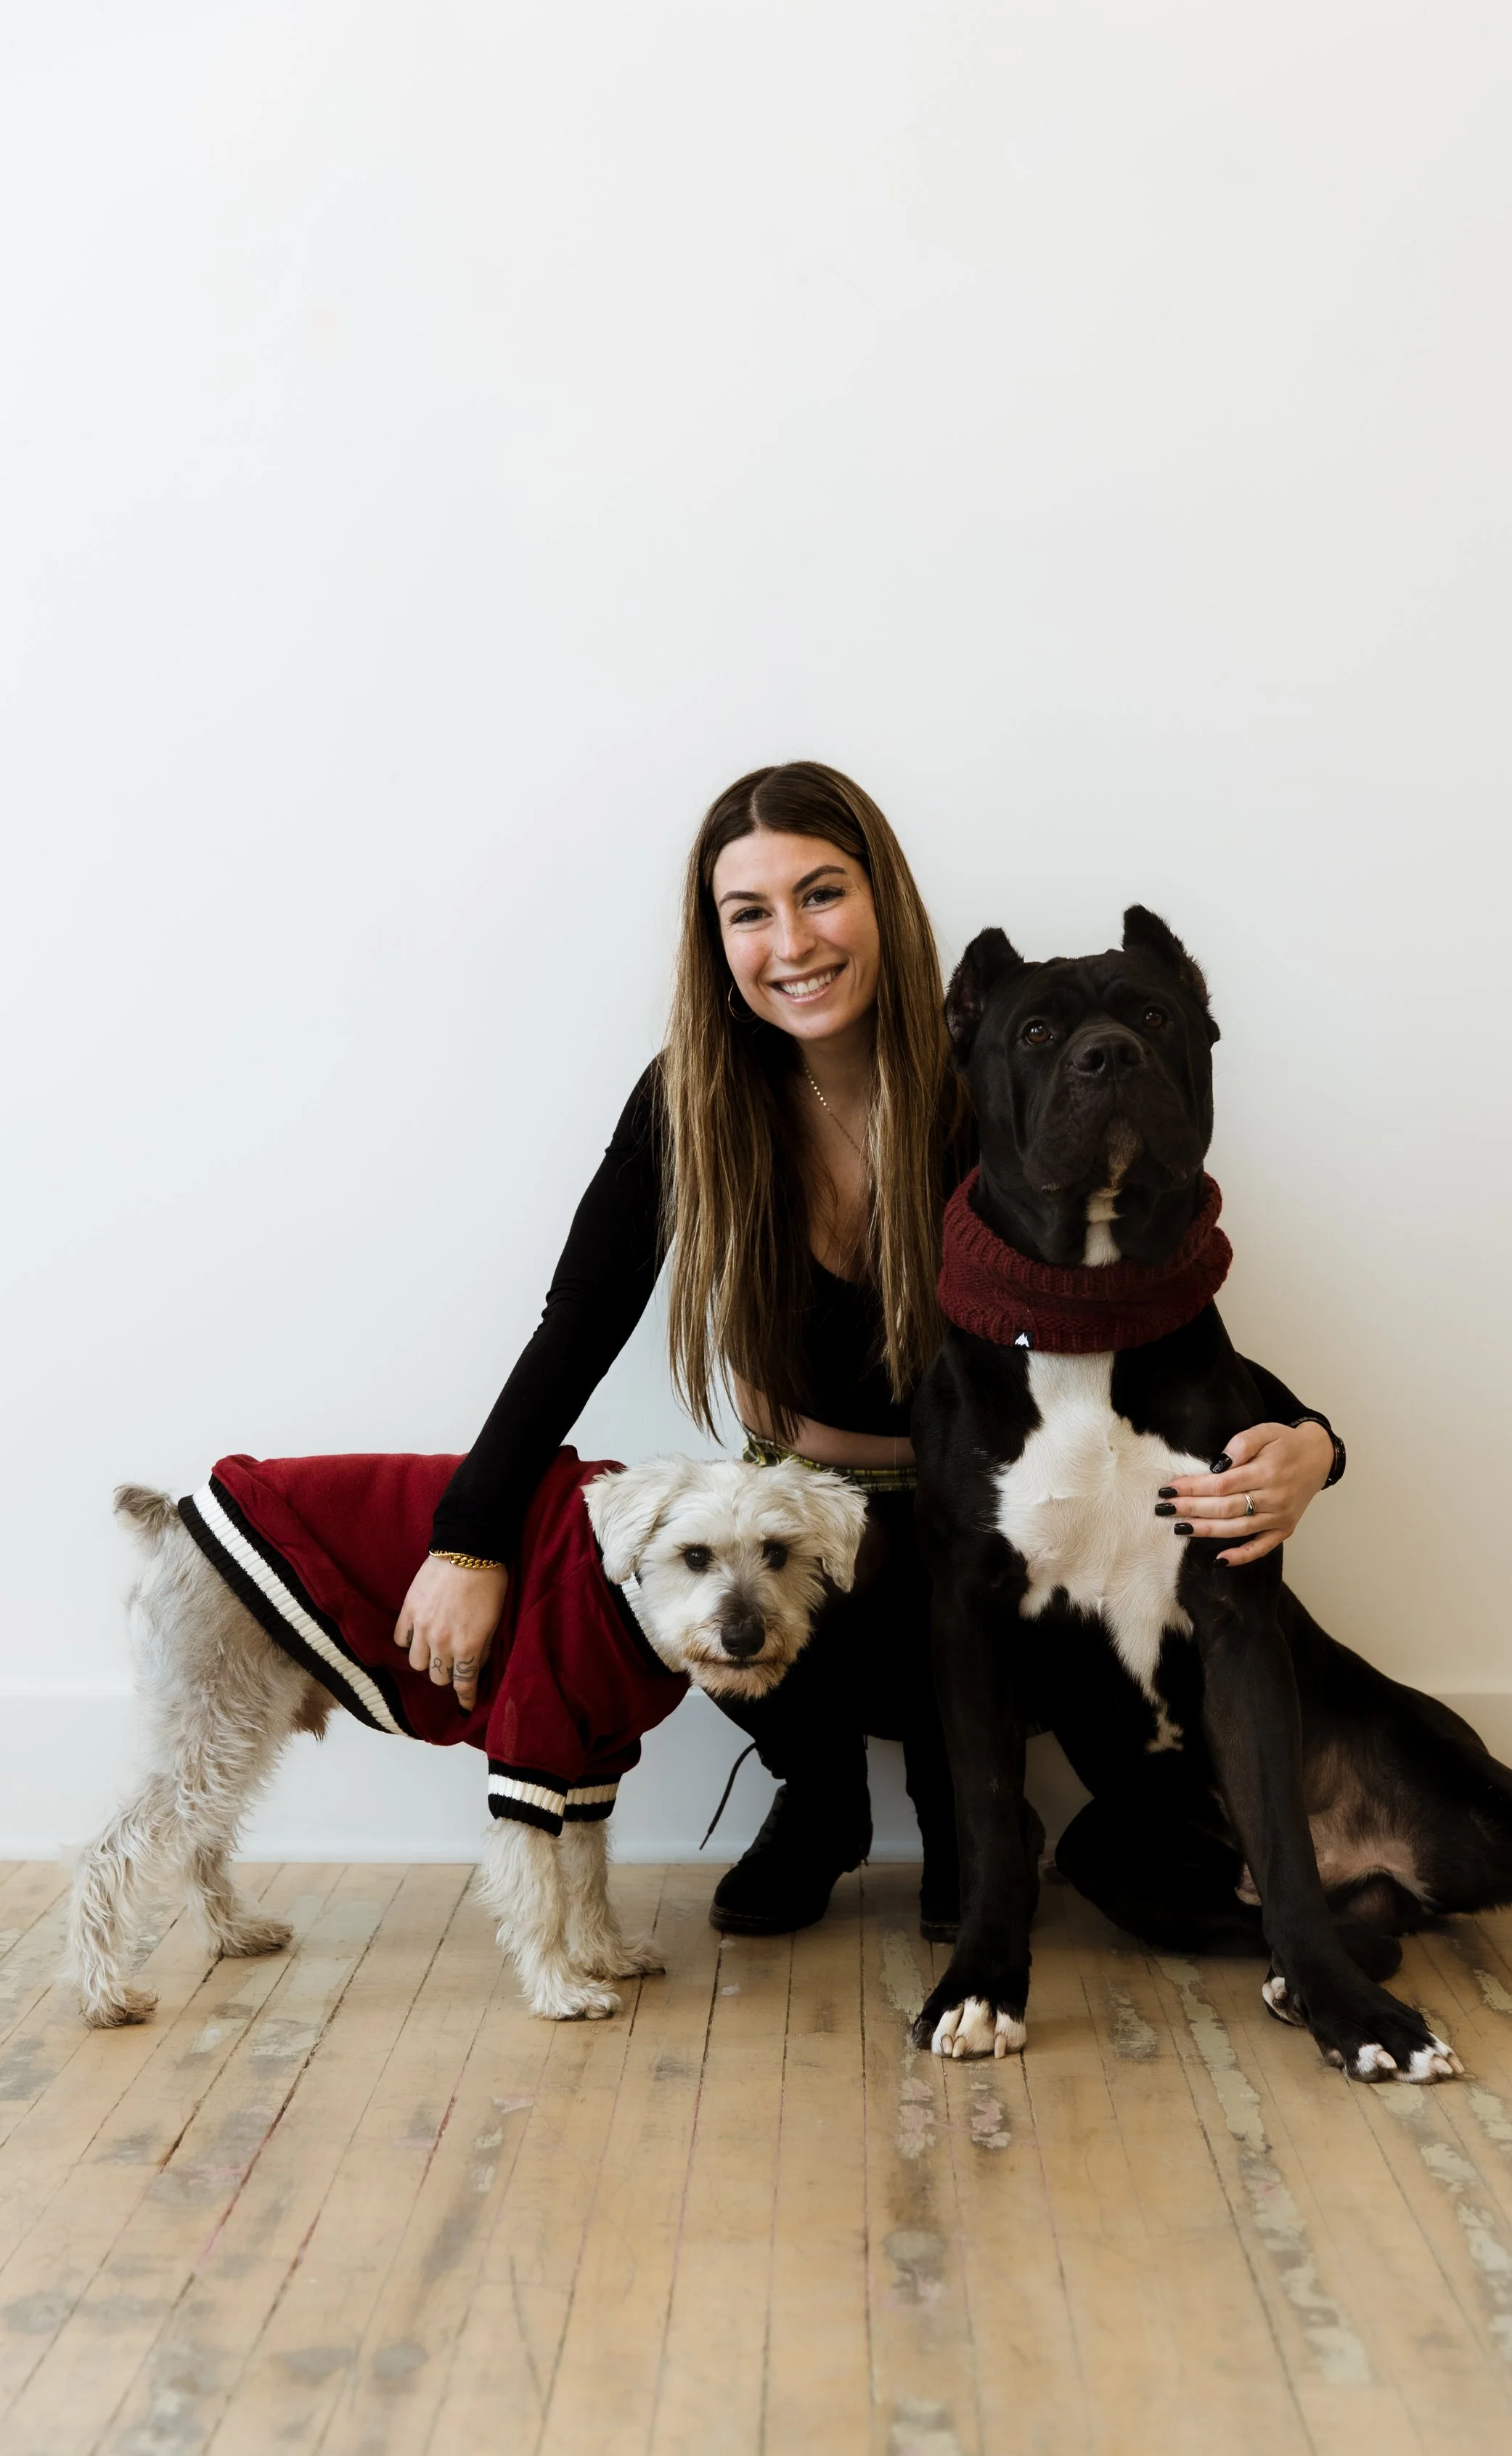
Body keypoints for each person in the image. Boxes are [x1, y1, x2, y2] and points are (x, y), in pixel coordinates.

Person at [393, 762, 1344, 1939]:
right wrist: (468, 1537)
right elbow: (576, 1326)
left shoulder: (993, 1079)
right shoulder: (693, 1098)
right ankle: (823, 1794)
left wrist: (1312, 1440)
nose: (791, 941)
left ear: (882, 897)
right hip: (820, 1523)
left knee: (968, 1585)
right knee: (648, 1556)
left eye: (821, 893)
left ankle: (965, 1808)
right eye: (750, 913)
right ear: (718, 942)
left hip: (992, 1536)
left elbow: (1144, 1318)